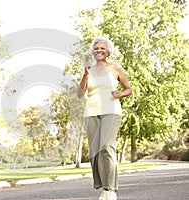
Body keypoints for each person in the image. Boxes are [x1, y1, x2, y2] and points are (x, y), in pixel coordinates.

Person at [77, 37, 132, 200]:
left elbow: (128, 88)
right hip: (91, 112)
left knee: (107, 146)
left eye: (102, 48)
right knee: (95, 151)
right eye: (96, 48)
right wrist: (85, 74)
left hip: (111, 110)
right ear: (93, 52)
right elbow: (80, 94)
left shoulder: (116, 68)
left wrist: (120, 94)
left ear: (108, 51)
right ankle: (103, 187)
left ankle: (111, 190)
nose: (99, 51)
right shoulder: (89, 70)